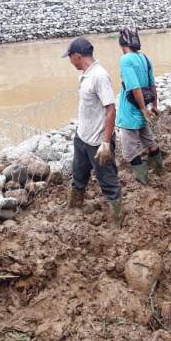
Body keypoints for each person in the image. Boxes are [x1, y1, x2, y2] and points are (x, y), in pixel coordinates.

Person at [63, 37, 123, 226]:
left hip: (97, 143)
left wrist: (106, 143)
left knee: (108, 183)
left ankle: (117, 222)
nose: (70, 61)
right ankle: (74, 209)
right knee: (78, 176)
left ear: (77, 56)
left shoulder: (99, 76)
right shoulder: (86, 74)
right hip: (82, 138)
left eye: (70, 57)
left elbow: (111, 109)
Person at [115, 27, 164, 184]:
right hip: (143, 112)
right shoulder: (144, 58)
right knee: (150, 141)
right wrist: (153, 106)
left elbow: (134, 87)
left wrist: (143, 110)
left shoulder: (125, 60)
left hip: (130, 112)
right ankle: (160, 170)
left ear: (122, 43)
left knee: (129, 152)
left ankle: (143, 179)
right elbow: (152, 84)